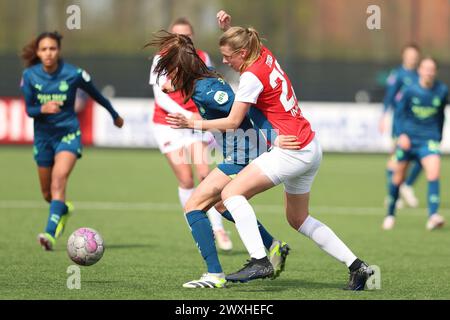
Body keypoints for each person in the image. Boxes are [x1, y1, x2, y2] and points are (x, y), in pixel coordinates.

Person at [167, 10, 374, 290]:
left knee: (230, 194)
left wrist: (192, 122)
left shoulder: (251, 77)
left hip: (291, 151)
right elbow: (246, 50)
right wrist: (229, 28)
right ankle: (357, 266)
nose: (225, 62)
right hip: (309, 146)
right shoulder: (264, 55)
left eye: (229, 56)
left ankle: (259, 260)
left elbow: (233, 121)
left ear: (242, 52)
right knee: (298, 219)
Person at [150, 31, 296, 288]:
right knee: (220, 206)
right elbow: (187, 84)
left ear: (180, 68)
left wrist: (274, 137)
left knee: (194, 206)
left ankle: (214, 274)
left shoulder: (208, 90)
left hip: (245, 155)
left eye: (169, 70)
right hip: (239, 153)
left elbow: (242, 114)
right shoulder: (199, 77)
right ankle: (273, 246)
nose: (167, 77)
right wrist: (173, 84)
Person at [20, 31, 124, 251]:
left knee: (59, 180)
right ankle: (63, 210)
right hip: (43, 139)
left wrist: (114, 115)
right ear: (38, 52)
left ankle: (49, 233)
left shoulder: (74, 74)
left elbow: (98, 95)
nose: (48, 53)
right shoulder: (29, 76)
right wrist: (42, 108)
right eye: (44, 49)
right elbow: (29, 109)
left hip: (68, 134)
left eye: (53, 48)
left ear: (59, 51)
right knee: (48, 194)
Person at [148, 17, 233, 251]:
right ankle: (196, 224)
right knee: (186, 179)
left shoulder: (202, 58)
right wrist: (184, 118)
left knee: (205, 174)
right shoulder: (160, 58)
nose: (182, 39)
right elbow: (160, 95)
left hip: (194, 123)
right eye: (178, 35)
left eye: (186, 36)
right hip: (168, 123)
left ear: (192, 37)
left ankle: (218, 229)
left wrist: (195, 119)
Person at [383, 57, 447, 231]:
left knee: (434, 174)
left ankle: (433, 216)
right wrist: (401, 134)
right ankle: (390, 213)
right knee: (397, 177)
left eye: (432, 69)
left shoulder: (441, 90)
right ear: (420, 70)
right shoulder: (410, 90)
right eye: (426, 68)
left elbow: (441, 115)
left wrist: (439, 136)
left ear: (435, 72)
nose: (429, 72)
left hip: (429, 140)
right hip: (408, 140)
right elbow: (399, 114)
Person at [380, 44, 421, 214]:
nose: (412, 58)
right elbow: (389, 97)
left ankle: (406, 186)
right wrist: (383, 116)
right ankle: (393, 195)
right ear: (404, 56)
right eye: (409, 55)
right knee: (397, 159)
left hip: (418, 123)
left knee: (421, 157)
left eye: (414, 55)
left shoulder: (420, 74)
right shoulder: (398, 74)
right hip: (400, 123)